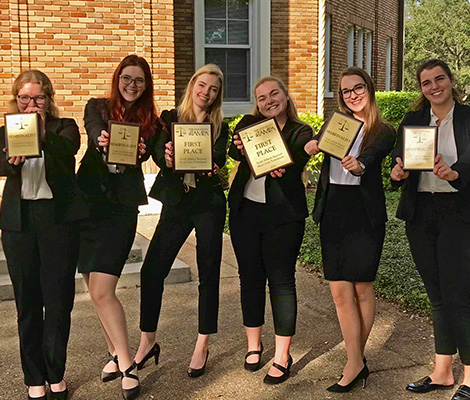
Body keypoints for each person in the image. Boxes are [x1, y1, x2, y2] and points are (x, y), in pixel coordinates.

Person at [305, 67, 395, 392]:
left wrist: (360, 164)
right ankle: (356, 361)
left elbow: (372, 155)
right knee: (340, 292)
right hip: (334, 212)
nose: (352, 95)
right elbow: (318, 144)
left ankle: (353, 361)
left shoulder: (383, 130)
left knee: (362, 289)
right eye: (345, 91)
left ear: (369, 90)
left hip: (364, 213)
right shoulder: (335, 124)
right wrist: (312, 148)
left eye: (358, 88)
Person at [135, 64, 228, 378]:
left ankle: (203, 341)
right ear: (192, 86)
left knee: (209, 271)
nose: (206, 93)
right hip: (177, 201)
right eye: (202, 85)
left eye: (213, 89)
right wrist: (168, 157)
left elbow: (218, 157)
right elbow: (159, 155)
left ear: (218, 95)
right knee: (152, 271)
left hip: (208, 204)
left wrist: (213, 166)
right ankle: (147, 341)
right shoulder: (169, 118)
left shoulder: (220, 126)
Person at [77, 54, 159, 400]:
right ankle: (114, 352)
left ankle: (127, 364)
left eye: (139, 80)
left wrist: (141, 152)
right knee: (92, 288)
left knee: (102, 289)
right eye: (127, 78)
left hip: (121, 210)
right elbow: (94, 132)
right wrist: (103, 140)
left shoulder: (151, 121)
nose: (131, 85)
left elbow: (152, 153)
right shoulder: (97, 107)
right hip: (87, 205)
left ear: (146, 85)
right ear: (118, 78)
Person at [0, 70, 85, 400]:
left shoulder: (64, 128)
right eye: (25, 98)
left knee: (59, 301)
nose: (31, 104)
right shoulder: (5, 131)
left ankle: (55, 372)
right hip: (19, 223)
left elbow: (68, 152)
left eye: (38, 98)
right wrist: (13, 160)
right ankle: (34, 376)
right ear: (16, 98)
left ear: (49, 100)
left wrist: (37, 133)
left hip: (57, 220)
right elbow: (2, 167)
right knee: (28, 304)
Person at [391, 59, 470, 400]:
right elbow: (400, 158)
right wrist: (398, 171)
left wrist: (455, 173)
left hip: (458, 211)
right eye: (426, 82)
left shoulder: (468, 117)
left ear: (451, 81)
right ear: (421, 89)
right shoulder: (413, 121)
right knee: (436, 296)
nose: (434, 86)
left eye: (440, 79)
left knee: (458, 296)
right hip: (421, 212)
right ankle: (442, 371)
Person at [228, 76, 313, 385]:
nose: (268, 101)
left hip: (284, 217)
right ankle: (254, 345)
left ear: (285, 96)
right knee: (249, 278)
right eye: (261, 97)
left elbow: (303, 149)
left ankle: (282, 355)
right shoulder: (248, 124)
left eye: (273, 93)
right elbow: (234, 151)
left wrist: (307, 151)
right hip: (245, 213)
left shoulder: (298, 130)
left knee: (281, 282)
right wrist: (238, 146)